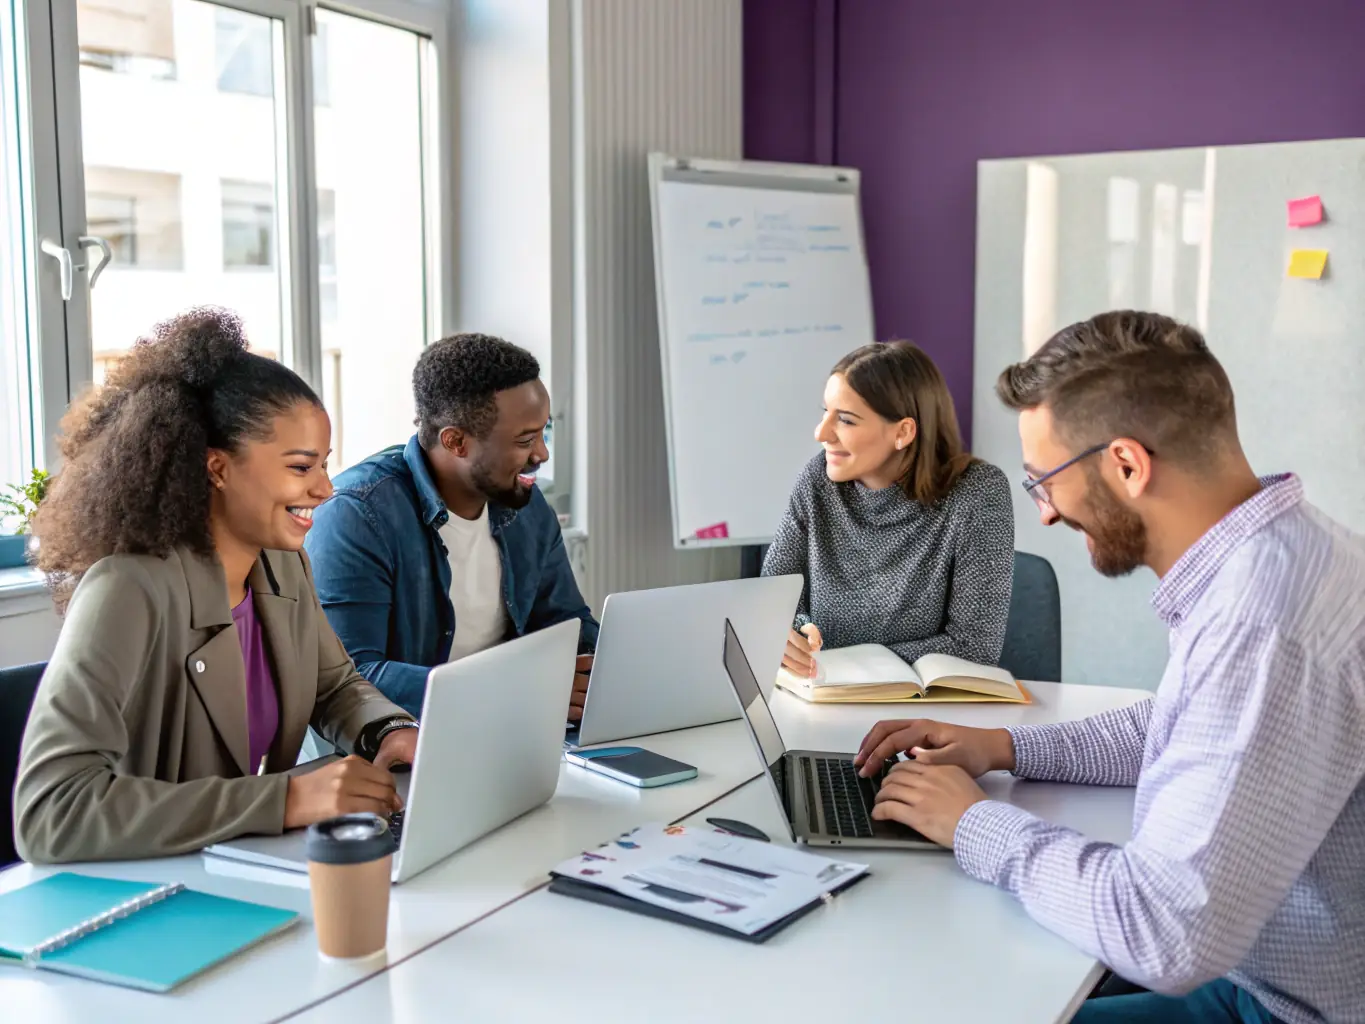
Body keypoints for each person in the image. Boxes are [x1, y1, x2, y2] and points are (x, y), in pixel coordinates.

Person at [855, 312, 1365, 1024]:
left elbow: (1161, 933)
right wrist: (1005, 748)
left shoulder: (1259, 623)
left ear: (1126, 464)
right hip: (1263, 969)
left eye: (1044, 482)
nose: (1043, 515)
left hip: (1275, 1007)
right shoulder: (1289, 550)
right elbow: (1184, 724)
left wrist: (970, 823)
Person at [15, 309, 417, 865]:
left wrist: (388, 730)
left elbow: (335, 687)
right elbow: (51, 810)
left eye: (324, 465)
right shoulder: (128, 588)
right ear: (217, 468)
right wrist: (284, 798)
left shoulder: (281, 564)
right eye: (301, 468)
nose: (325, 489)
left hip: (226, 870)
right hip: (139, 891)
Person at [305, 333, 597, 720]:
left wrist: (606, 668)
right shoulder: (356, 515)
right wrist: (518, 690)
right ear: (456, 441)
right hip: (401, 749)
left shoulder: (525, 504)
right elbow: (351, 677)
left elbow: (567, 624)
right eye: (525, 440)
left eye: (545, 432)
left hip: (514, 728)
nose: (541, 454)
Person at [761, 340, 1014, 678]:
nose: (822, 433)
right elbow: (774, 598)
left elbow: (974, 647)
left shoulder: (978, 492)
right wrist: (798, 630)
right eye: (826, 412)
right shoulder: (817, 480)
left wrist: (838, 663)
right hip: (821, 694)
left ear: (903, 432)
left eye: (846, 421)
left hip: (923, 710)